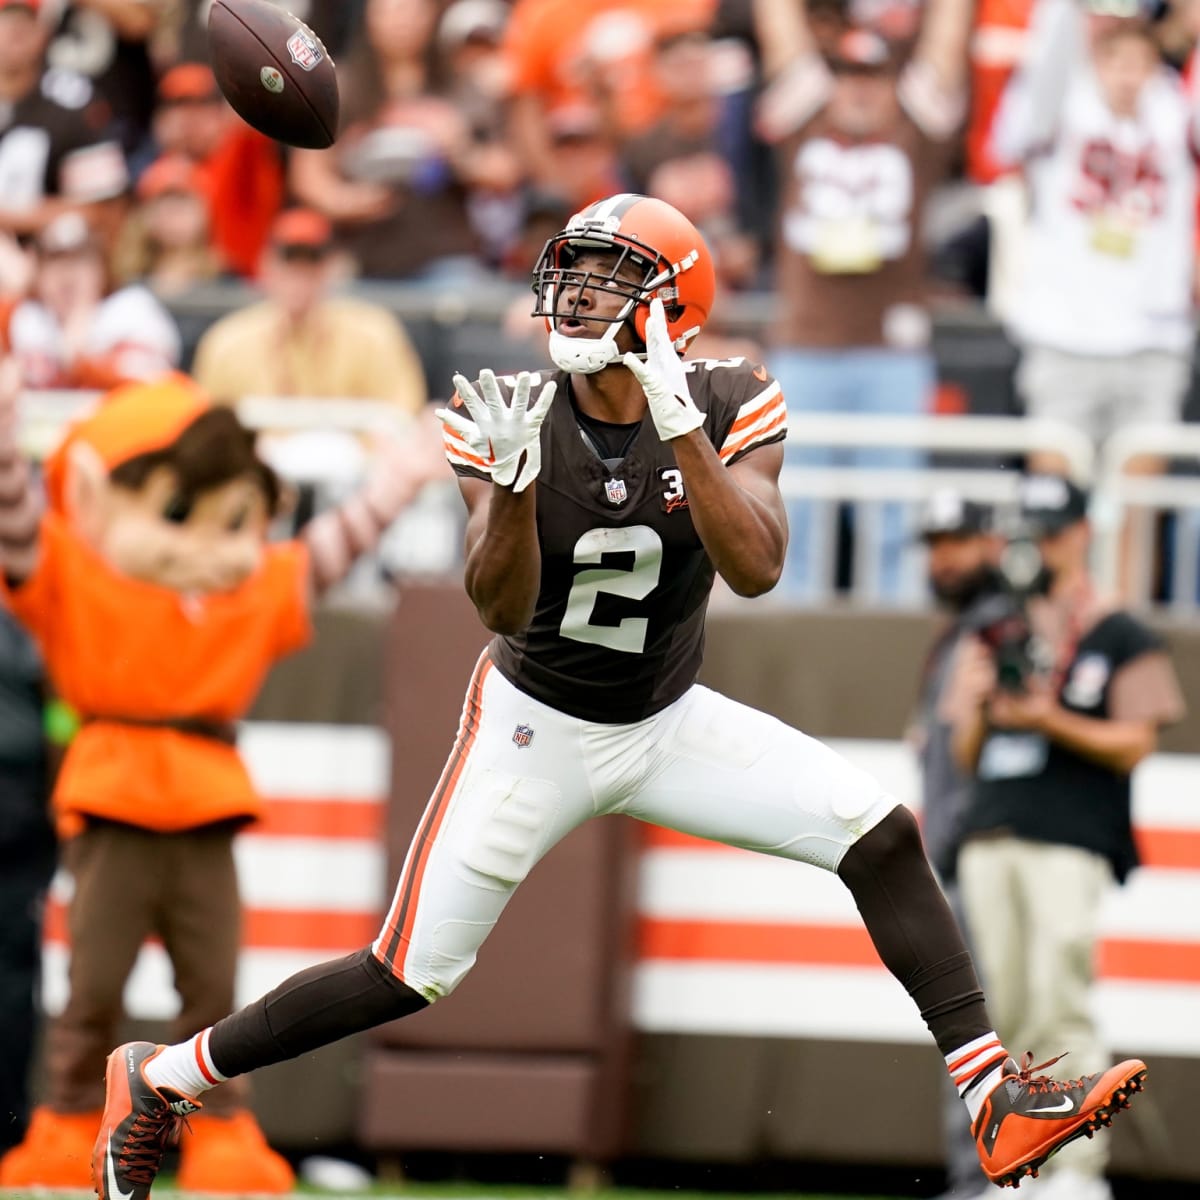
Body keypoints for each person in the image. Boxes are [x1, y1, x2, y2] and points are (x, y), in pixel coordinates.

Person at [92, 195, 1148, 1200]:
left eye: (608, 283)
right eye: (575, 278)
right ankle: (167, 1075)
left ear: (671, 303)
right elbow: (499, 605)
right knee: (411, 971)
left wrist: (681, 423)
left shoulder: (731, 395)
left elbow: (759, 568)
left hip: (665, 718)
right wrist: (507, 497)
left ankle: (993, 1096)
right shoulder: (509, 411)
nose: (577, 300)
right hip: (532, 723)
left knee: (875, 832)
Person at [0, 368, 447, 1190]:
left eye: (233, 514)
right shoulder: (80, 576)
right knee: (91, 989)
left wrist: (394, 484)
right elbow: (19, 529)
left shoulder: (245, 596)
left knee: (214, 993)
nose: (203, 539)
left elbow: (319, 556)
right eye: (177, 509)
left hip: (205, 801)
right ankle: (66, 1130)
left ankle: (223, 1138)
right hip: (111, 795)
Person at [946, 473, 1186, 1200]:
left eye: (1051, 532)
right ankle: (1022, 1169)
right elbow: (964, 749)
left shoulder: (1119, 629)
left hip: (1070, 834)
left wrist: (1049, 719)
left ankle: (1079, 1171)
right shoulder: (993, 627)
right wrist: (990, 702)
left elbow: (1135, 743)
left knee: (1060, 1001)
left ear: (1082, 532)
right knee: (1008, 1015)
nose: (1039, 548)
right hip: (993, 826)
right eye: (1031, 534)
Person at [754, 0, 972, 604]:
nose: (859, 92)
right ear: (832, 82)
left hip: (891, 354)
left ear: (890, 84)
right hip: (806, 347)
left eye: (872, 79)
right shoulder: (804, 121)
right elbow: (779, 33)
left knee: (895, 514)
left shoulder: (915, 128)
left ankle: (892, 640)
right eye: (848, 77)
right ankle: (790, 642)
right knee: (792, 512)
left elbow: (946, 51)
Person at [989, 0, 1197, 602]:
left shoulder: (1177, 114)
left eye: (1142, 61)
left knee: (1134, 516)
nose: (1128, 74)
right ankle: (1054, 635)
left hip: (1152, 343)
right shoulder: (1059, 106)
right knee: (1056, 512)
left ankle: (1114, 636)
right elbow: (1043, 67)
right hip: (1064, 337)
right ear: (1094, 58)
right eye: (1115, 60)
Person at [910, 489, 1003, 1200]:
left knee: (989, 1035)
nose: (944, 559)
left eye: (958, 542)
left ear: (994, 544)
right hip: (959, 858)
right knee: (974, 1038)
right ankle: (981, 1180)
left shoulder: (1005, 627)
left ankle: (989, 1182)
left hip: (995, 860)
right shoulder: (959, 633)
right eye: (935, 545)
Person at [191, 207, 427, 411]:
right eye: (290, 266)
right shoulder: (228, 341)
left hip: (352, 460)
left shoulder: (374, 333)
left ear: (332, 270)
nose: (299, 281)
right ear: (266, 267)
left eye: (311, 266)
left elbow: (403, 412)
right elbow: (211, 426)